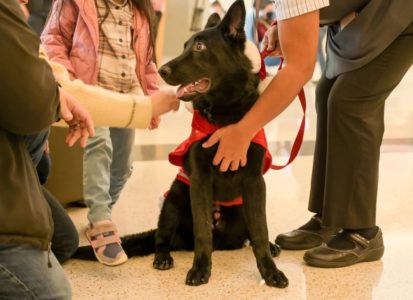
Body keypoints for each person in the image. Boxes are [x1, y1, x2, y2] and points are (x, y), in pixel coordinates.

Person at [202, 0, 413, 268]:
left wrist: (243, 131)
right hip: (366, 14)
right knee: (327, 93)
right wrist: (284, 24)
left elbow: (298, 69)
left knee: (352, 101)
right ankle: (330, 219)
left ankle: (362, 233)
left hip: (401, 11)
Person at [41, 0, 180, 266]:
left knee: (122, 167)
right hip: (92, 94)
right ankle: (101, 219)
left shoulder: (140, 9)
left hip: (127, 98)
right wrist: (68, 82)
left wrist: (151, 99)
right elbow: (54, 39)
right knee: (99, 146)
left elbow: (145, 60)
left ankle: (100, 209)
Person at [0, 0, 95, 298]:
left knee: (64, 240)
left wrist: (54, 93)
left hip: (19, 157)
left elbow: (39, 80)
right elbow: (30, 99)